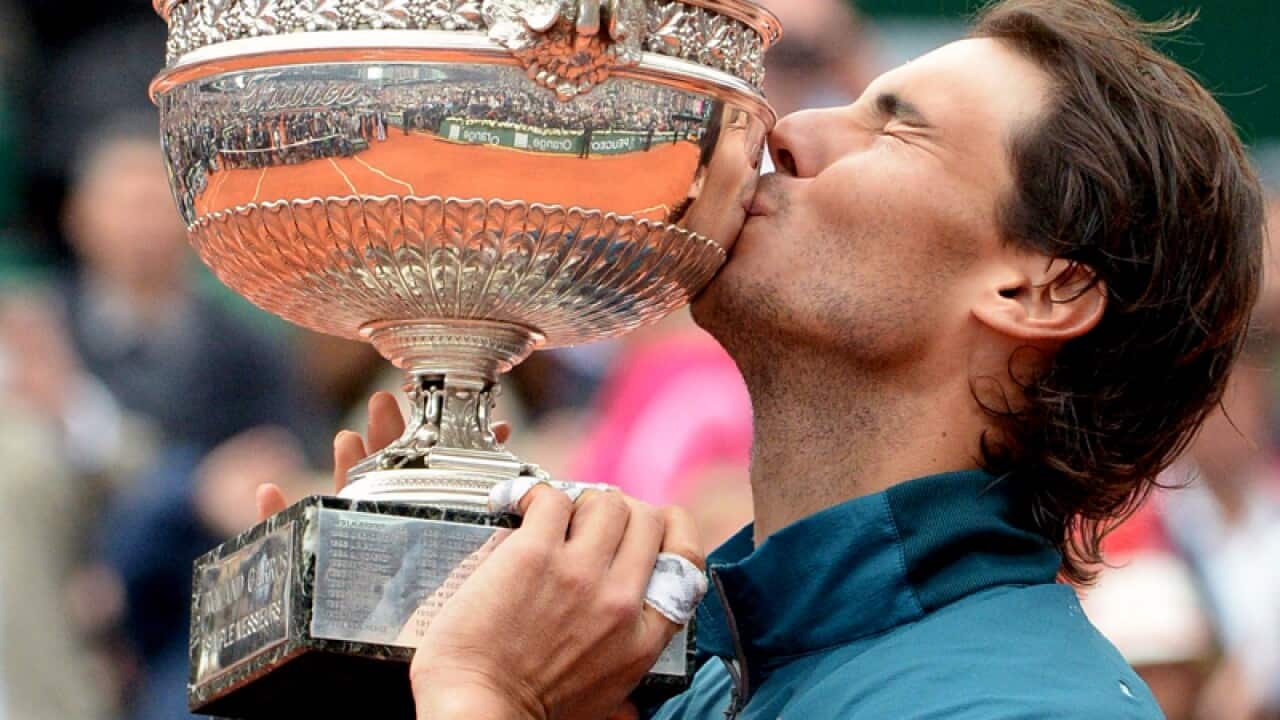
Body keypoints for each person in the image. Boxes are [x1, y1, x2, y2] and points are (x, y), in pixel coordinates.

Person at [258, 0, 1265, 717]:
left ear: (1039, 288)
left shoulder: (1017, 709)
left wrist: (485, 695)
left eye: (895, 129)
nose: (787, 131)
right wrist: (392, 678)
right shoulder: (692, 679)